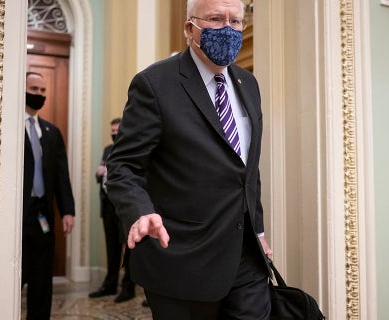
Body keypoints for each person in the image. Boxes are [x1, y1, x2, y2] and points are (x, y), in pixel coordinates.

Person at [105, 0, 273, 318]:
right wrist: (139, 211)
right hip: (183, 260)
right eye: (214, 19)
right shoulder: (155, 84)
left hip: (246, 257)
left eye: (235, 22)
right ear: (189, 28)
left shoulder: (248, 84)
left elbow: (247, 170)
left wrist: (259, 232)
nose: (228, 29)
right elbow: (123, 165)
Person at [22, 71, 75, 320]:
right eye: (34, 89)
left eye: (43, 91)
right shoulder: (7, 127)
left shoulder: (51, 132)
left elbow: (62, 176)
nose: (39, 95)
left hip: (43, 215)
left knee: (42, 278)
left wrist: (67, 211)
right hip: (17, 214)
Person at [88, 117, 136, 303]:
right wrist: (98, 174)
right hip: (108, 205)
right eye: (112, 131)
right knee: (111, 247)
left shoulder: (132, 147)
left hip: (124, 207)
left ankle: (128, 287)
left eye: (117, 130)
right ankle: (109, 284)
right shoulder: (108, 150)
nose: (114, 133)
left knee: (129, 248)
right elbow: (101, 174)